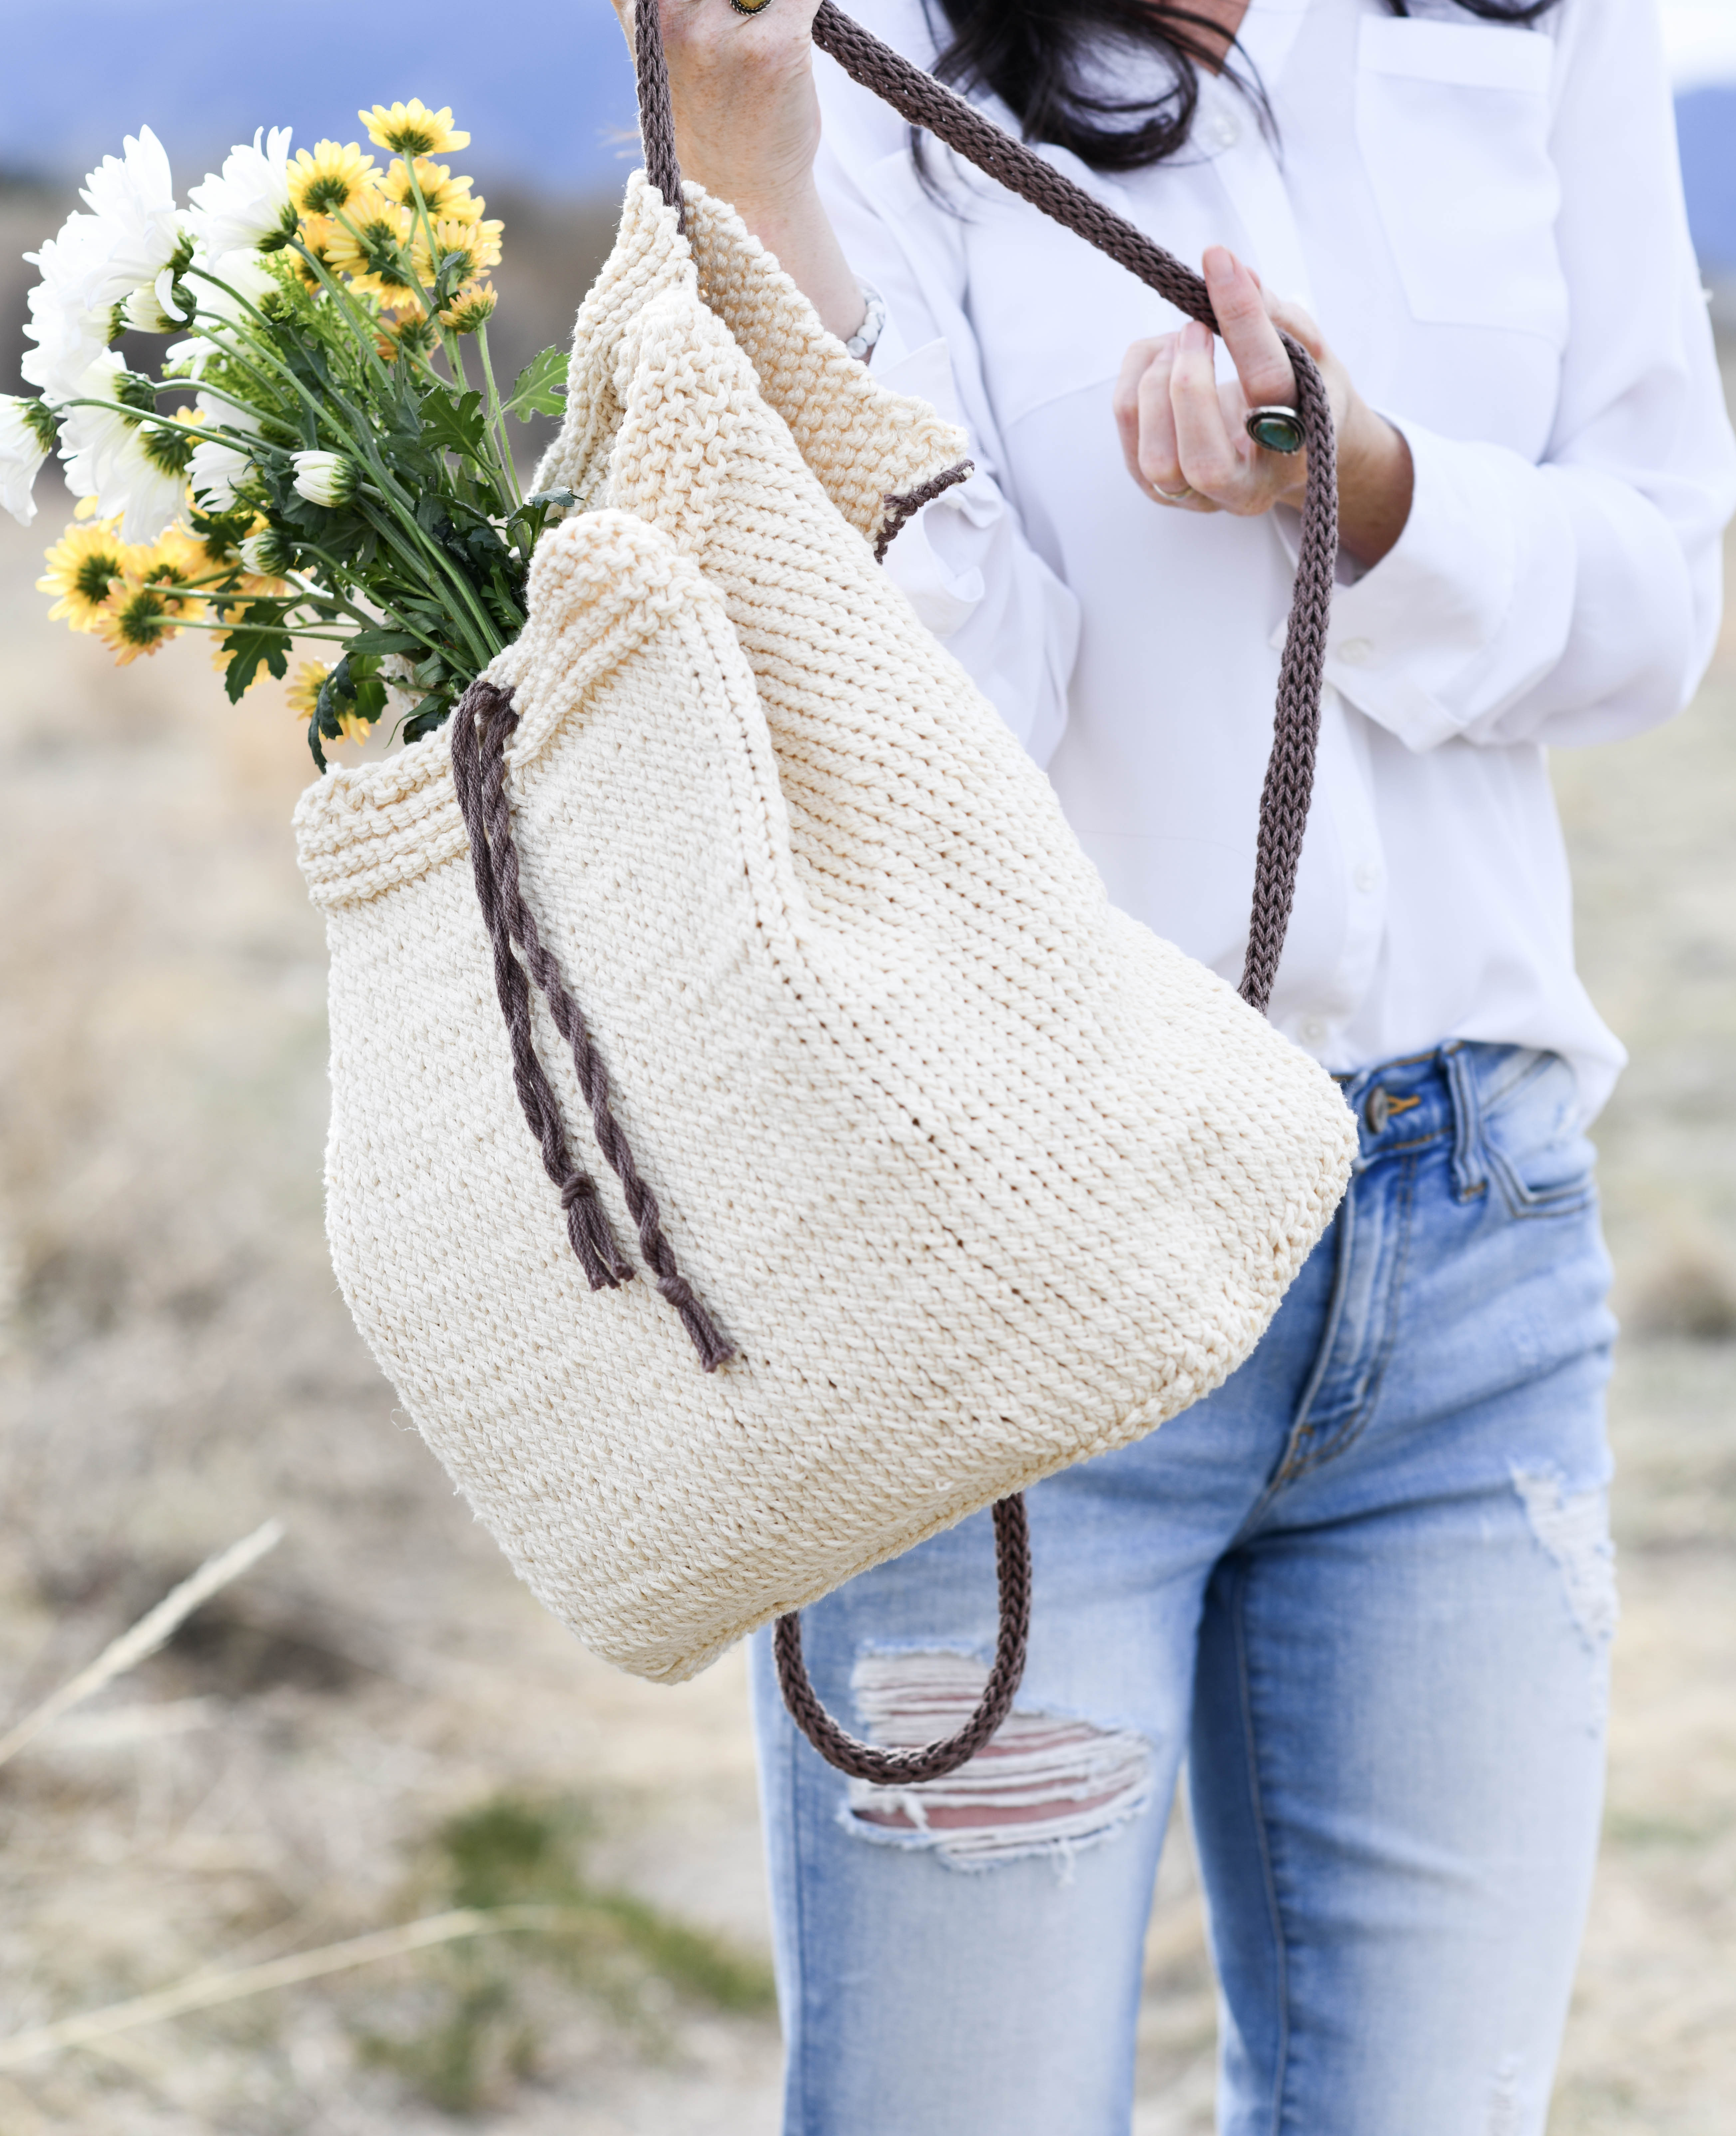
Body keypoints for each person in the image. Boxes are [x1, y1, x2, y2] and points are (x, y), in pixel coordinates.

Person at [611, 0, 1736, 2128]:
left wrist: (1369, 489)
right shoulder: (847, 48)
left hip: (1470, 1257)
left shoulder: (1540, 19)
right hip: (1013, 1270)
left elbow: (1655, 592)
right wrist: (751, 174)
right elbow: (925, 729)